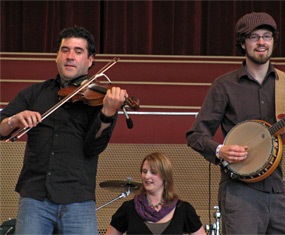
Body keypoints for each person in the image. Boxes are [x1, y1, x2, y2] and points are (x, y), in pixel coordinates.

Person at [186, 12, 285, 234]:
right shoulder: (224, 86)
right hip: (239, 192)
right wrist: (220, 150)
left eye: (267, 36)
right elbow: (196, 134)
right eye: (254, 37)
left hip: (276, 189)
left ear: (273, 41)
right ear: (243, 44)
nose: (262, 42)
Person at [0, 26, 128, 234]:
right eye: (65, 50)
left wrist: (108, 112)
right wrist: (14, 120)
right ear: (57, 57)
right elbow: (1, 127)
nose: (70, 57)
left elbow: (93, 147)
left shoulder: (98, 101)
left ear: (90, 60)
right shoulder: (34, 93)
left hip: (78, 199)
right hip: (35, 197)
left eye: (78, 52)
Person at [105, 152, 206, 235]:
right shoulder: (128, 208)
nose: (146, 176)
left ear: (165, 176)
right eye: (144, 171)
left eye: (153, 172)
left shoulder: (183, 209)